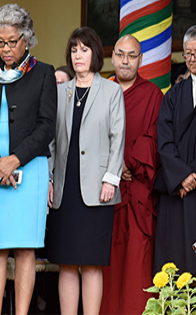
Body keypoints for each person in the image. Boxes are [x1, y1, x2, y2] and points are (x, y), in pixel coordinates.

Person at [0, 4, 57, 315]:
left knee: (24, 249)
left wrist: (14, 160)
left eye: (12, 41)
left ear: (27, 39)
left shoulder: (43, 73)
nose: (5, 49)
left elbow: (47, 125)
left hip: (29, 170)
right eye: (0, 41)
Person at [46, 27, 124, 315]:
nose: (78, 55)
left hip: (97, 189)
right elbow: (51, 141)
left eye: (84, 49)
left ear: (95, 54)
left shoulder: (112, 90)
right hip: (64, 190)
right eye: (74, 50)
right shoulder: (59, 92)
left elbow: (118, 138)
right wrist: (50, 178)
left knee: (91, 264)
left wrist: (111, 178)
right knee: (66, 263)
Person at [100, 34, 163, 314]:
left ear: (141, 59)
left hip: (136, 191)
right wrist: (110, 167)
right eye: (121, 54)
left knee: (138, 263)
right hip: (103, 192)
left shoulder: (152, 95)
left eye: (132, 55)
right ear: (112, 57)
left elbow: (155, 137)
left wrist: (130, 164)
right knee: (104, 267)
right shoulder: (99, 91)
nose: (125, 61)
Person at [154, 25, 196, 275]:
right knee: (175, 261)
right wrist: (181, 176)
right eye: (187, 54)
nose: (192, 60)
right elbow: (164, 140)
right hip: (176, 189)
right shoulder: (174, 94)